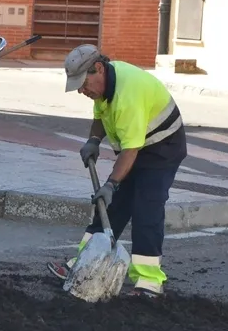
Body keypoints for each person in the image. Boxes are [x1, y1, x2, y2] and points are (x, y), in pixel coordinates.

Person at [47, 44, 187, 298]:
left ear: (98, 69)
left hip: (162, 148)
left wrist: (111, 184)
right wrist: (93, 140)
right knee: (113, 206)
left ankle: (149, 281)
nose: (81, 91)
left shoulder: (127, 96)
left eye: (83, 83)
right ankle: (84, 263)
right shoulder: (104, 88)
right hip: (136, 146)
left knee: (146, 207)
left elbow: (131, 151)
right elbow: (101, 116)